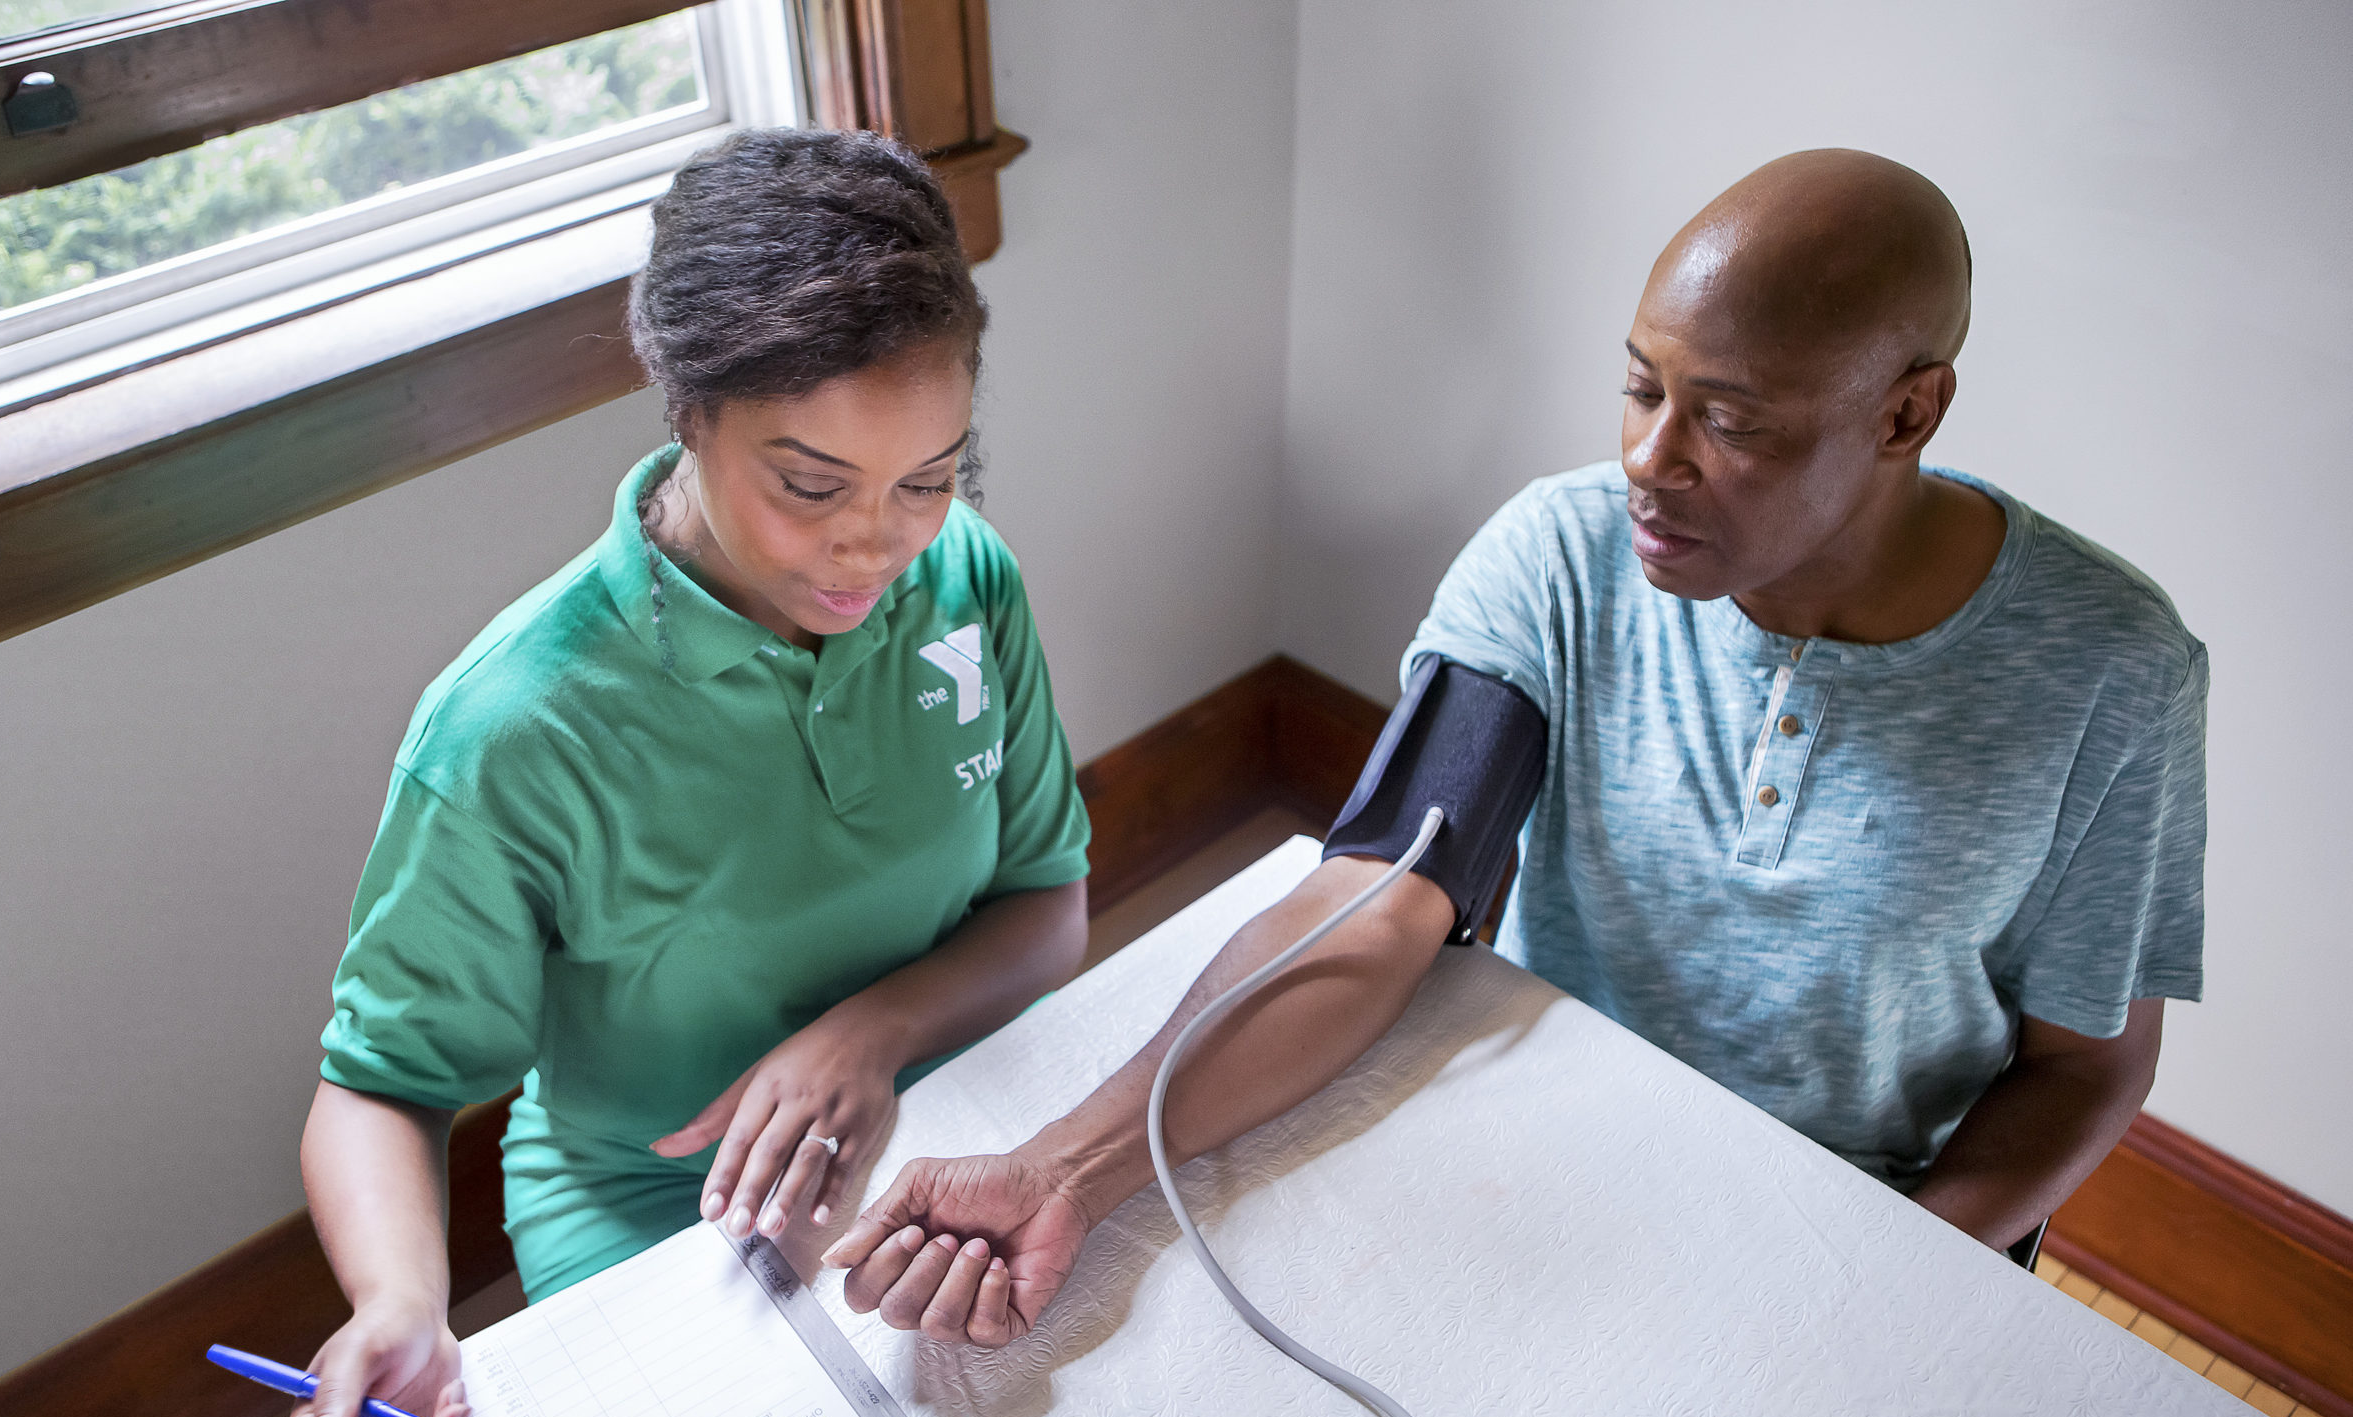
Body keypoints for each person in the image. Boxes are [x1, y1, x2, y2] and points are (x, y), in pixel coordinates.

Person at [824, 149, 2207, 1346]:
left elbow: (2085, 1067)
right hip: (1548, 1167)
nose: (1650, 462)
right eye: (1640, 387)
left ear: (1907, 412)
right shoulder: (1563, 560)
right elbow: (1370, 902)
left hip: (1865, 1232)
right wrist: (1064, 1171)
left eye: (1727, 422)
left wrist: (1884, 1288)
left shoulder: (2112, 673)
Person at [288, 128, 1092, 1417]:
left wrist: (867, 1035)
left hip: (954, 1125)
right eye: (810, 484)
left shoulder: (966, 579)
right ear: (685, 409)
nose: (879, 547)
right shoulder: (513, 726)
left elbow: (1047, 904)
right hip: (666, 1208)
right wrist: (404, 1303)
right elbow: (385, 1083)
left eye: (929, 474)